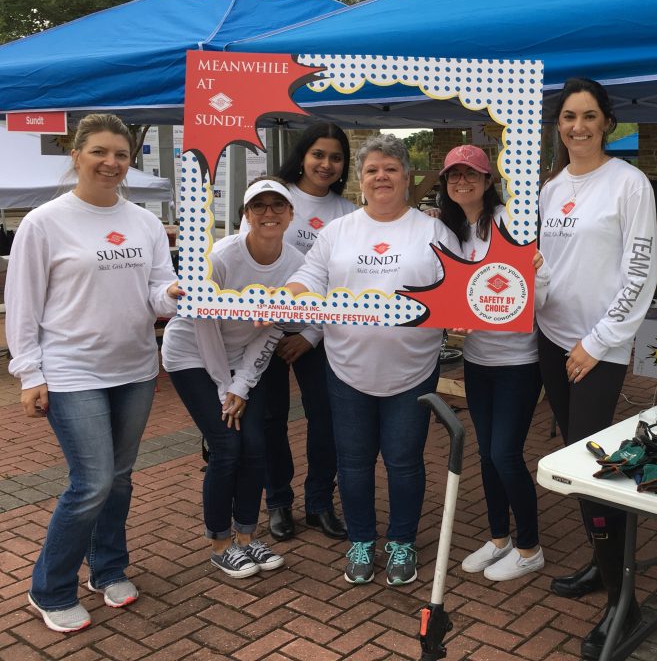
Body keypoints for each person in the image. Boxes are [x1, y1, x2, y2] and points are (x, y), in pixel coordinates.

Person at [7, 114, 180, 633]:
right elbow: (22, 305)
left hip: (134, 368)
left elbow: (156, 292)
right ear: (76, 154)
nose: (112, 163)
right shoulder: (44, 222)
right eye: (100, 152)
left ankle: (107, 569)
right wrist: (29, 373)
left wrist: (172, 296)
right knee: (92, 482)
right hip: (70, 371)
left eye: (121, 155)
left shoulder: (145, 222)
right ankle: (49, 587)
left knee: (120, 480)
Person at [285, 134, 458, 587]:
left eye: (391, 168)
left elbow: (457, 288)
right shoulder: (339, 231)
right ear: (359, 179)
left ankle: (401, 540)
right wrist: (282, 298)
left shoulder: (433, 231)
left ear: (406, 177)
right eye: (371, 170)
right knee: (355, 461)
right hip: (346, 367)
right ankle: (361, 539)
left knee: (404, 461)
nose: (381, 176)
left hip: (413, 368)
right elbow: (310, 276)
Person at [536, 78, 657, 659]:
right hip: (551, 340)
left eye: (588, 116)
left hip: (598, 350)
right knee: (575, 460)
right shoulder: (552, 186)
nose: (577, 127)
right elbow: (546, 268)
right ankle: (601, 563)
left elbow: (640, 273)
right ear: (557, 125)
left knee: (593, 467)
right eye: (567, 117)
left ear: (607, 122)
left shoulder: (628, 184)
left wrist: (598, 340)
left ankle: (623, 596)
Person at [162, 178, 302, 579]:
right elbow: (203, 326)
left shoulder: (295, 265)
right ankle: (220, 544)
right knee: (227, 444)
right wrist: (226, 388)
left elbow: (272, 330)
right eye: (259, 206)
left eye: (279, 205)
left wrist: (241, 384)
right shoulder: (222, 256)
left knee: (255, 445)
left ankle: (246, 537)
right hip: (192, 353)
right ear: (246, 214)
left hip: (242, 358)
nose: (269, 213)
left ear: (292, 214)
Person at [240, 122, 356, 542]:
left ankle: (320, 502)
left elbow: (347, 283)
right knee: (270, 418)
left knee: (325, 418)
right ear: (302, 155)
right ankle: (278, 502)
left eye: (336, 157)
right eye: (318, 154)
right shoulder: (271, 196)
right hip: (264, 331)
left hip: (320, 335)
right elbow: (248, 265)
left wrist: (310, 335)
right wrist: (274, 327)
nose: (326, 164)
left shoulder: (347, 213)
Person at [436, 144, 545, 581]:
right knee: (486, 453)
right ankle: (499, 538)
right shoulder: (453, 231)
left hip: (520, 358)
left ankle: (530, 546)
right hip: (478, 358)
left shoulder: (511, 223)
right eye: (453, 175)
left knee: (505, 453)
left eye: (472, 175)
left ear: (488, 181)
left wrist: (536, 271)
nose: (462, 182)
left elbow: (538, 286)